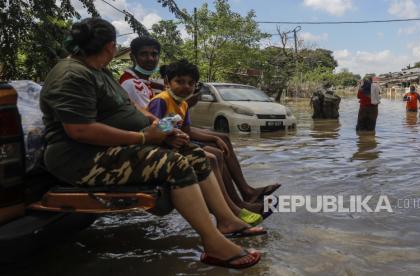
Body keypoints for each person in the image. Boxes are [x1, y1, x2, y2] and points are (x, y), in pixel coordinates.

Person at [39, 18, 264, 269]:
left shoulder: (99, 71)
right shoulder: (72, 74)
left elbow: (131, 107)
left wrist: (162, 128)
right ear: (111, 47)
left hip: (114, 148)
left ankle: (227, 221)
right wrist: (145, 137)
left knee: (194, 153)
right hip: (81, 158)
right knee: (174, 163)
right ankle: (213, 244)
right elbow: (80, 130)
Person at [147, 59, 266, 225]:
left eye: (190, 83)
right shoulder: (161, 101)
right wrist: (170, 137)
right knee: (210, 157)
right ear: (167, 82)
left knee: (216, 154)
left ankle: (235, 205)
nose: (185, 87)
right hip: (161, 148)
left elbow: (187, 130)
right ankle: (232, 209)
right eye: (179, 82)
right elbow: (154, 130)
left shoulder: (182, 105)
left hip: (179, 145)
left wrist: (214, 137)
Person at [119, 36, 164, 123]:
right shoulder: (134, 84)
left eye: (154, 54)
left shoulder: (140, 81)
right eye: (143, 54)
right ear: (132, 57)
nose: (150, 58)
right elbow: (153, 119)